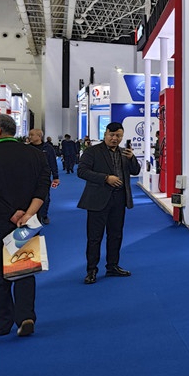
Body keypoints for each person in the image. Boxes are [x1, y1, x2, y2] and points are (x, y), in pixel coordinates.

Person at [0, 114, 50, 337]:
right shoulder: (36, 155)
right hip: (27, 222)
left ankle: (2, 324)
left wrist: (10, 213)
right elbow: (43, 187)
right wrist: (28, 214)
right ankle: (26, 317)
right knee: (25, 268)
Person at [77, 122, 140, 284]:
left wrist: (132, 158)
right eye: (111, 135)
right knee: (94, 237)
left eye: (118, 135)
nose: (114, 138)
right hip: (97, 200)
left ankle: (112, 266)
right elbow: (82, 171)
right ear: (105, 135)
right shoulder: (92, 151)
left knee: (116, 235)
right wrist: (105, 178)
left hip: (119, 199)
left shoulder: (124, 153)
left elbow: (135, 171)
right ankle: (91, 270)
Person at [27, 129, 60, 225]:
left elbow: (53, 162)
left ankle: (44, 215)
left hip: (44, 177)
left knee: (45, 198)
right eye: (29, 135)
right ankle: (32, 216)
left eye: (32, 135)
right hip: (29, 177)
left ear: (39, 136)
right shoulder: (27, 148)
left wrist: (56, 176)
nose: (30, 137)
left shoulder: (48, 148)